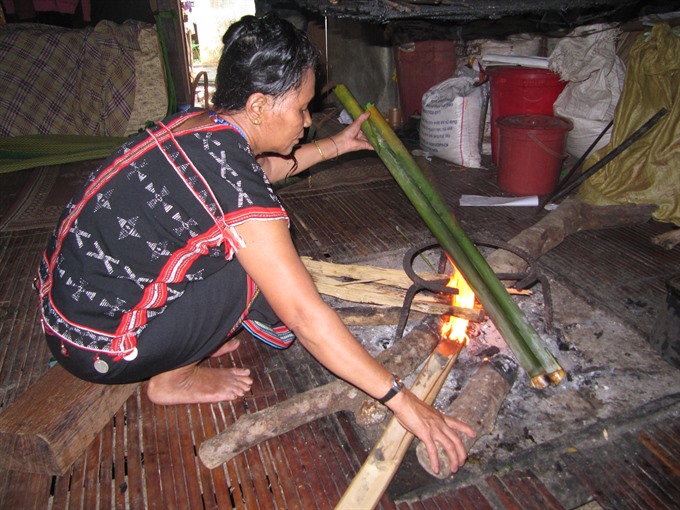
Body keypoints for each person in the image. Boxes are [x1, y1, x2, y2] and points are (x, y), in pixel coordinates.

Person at [36, 13, 474, 474]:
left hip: (63, 305)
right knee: (258, 269)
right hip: (96, 345)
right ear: (260, 105)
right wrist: (403, 401)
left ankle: (187, 335)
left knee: (235, 245)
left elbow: (260, 174)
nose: (308, 122)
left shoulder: (203, 125)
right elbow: (305, 316)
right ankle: (172, 377)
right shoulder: (232, 184)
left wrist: (339, 146)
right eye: (303, 107)